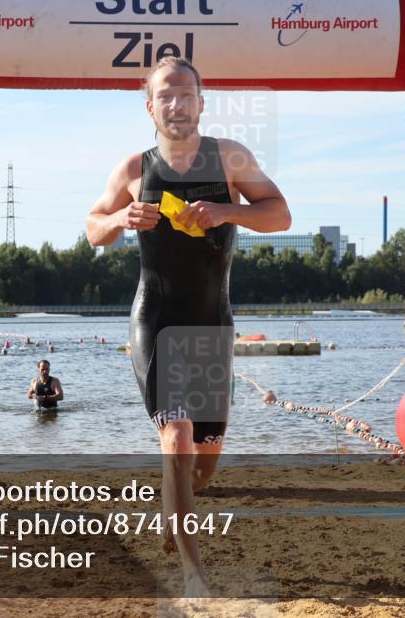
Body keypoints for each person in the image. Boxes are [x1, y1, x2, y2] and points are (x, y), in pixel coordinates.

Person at [85, 56, 291, 597]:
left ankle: (172, 521)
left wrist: (227, 213)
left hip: (211, 326)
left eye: (186, 95)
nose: (176, 105)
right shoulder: (134, 169)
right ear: (149, 105)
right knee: (175, 439)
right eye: (165, 96)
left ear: (202, 102)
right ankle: (193, 577)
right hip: (155, 321)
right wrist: (120, 219)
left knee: (201, 467)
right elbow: (92, 229)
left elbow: (280, 214)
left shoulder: (230, 158)